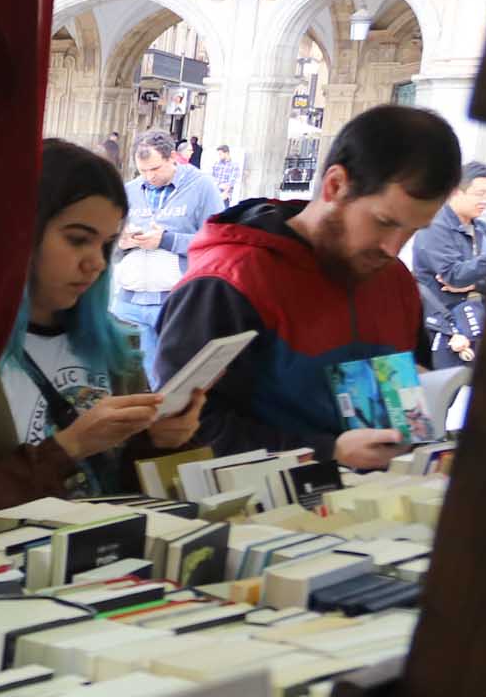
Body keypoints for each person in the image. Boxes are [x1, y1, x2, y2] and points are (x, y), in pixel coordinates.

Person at [158, 102, 463, 472]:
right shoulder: (230, 280)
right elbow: (183, 432)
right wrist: (326, 451)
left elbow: (402, 395)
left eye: (414, 231)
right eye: (384, 222)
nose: (393, 248)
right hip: (263, 517)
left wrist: (415, 395)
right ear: (335, 185)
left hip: (380, 509)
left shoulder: (395, 279)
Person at [0, 140, 208, 505]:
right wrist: (70, 446)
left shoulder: (117, 346)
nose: (98, 263)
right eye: (77, 240)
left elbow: (131, 485)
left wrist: (162, 440)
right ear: (18, 233)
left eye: (106, 245)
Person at [108, 132, 222, 342]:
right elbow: (107, 246)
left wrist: (167, 240)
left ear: (172, 158)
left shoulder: (202, 187)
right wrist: (122, 243)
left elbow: (218, 244)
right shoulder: (129, 190)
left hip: (177, 301)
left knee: (171, 373)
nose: (150, 176)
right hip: (128, 301)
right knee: (128, 373)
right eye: (142, 171)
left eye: (155, 168)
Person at [412, 160, 486, 365]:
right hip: (445, 328)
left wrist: (476, 284)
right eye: (480, 194)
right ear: (456, 191)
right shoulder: (434, 226)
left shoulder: (484, 230)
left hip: (478, 323)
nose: (485, 201)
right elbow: (454, 276)